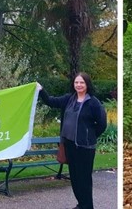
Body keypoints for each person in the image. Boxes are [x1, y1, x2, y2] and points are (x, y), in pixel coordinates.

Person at [38, 72, 107, 209]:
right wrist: (41, 90)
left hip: (85, 148)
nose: (79, 85)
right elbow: (51, 101)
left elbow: (102, 124)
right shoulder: (69, 99)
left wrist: (89, 136)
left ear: (87, 84)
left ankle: (87, 206)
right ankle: (81, 204)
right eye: (76, 82)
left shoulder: (93, 102)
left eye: (82, 82)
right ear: (73, 84)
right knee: (75, 178)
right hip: (69, 145)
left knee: (84, 179)